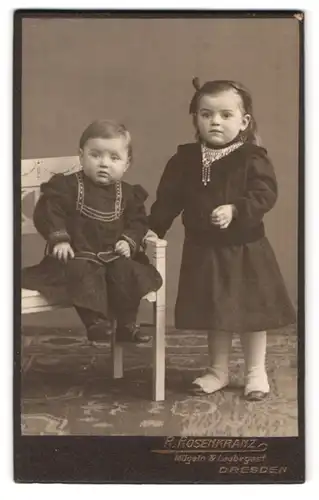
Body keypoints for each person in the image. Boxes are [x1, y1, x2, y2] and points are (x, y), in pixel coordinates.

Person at [148, 78, 296, 401]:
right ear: (196, 119)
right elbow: (168, 199)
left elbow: (265, 194)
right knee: (215, 311)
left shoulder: (251, 157)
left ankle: (255, 371)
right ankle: (218, 369)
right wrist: (154, 227)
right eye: (206, 114)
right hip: (204, 250)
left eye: (225, 115)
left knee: (252, 312)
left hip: (245, 249)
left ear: (243, 122)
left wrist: (236, 209)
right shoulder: (184, 160)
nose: (215, 121)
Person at [22, 119, 162, 344]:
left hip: (113, 257)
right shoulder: (67, 187)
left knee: (128, 271)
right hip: (77, 255)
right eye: (95, 155)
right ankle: (95, 323)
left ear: (126, 164)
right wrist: (59, 240)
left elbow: (138, 222)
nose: (104, 163)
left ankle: (127, 325)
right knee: (82, 271)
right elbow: (49, 212)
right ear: (81, 155)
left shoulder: (128, 194)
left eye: (114, 158)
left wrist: (129, 240)